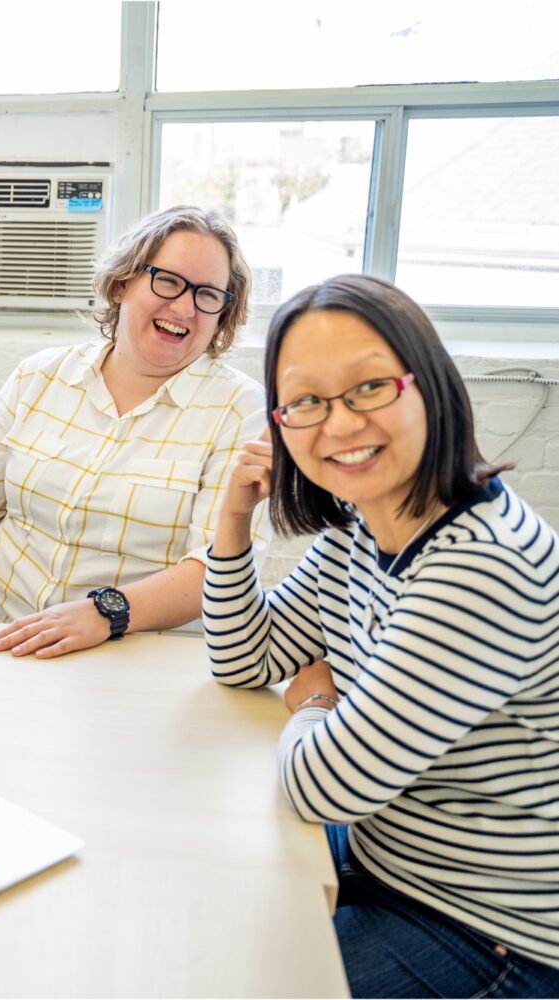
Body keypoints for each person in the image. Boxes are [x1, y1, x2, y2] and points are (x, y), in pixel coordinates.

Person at [205, 274, 559, 996]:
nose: (337, 425)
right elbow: (245, 659)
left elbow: (322, 784)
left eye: (368, 387)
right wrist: (231, 523)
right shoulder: (364, 523)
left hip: (489, 930)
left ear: (427, 384)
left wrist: (312, 703)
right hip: (384, 855)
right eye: (305, 401)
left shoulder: (482, 565)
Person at [0, 206, 269, 657]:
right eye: (168, 281)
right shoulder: (38, 377)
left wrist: (106, 612)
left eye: (208, 295)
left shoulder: (240, 411)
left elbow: (218, 567)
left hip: (127, 657)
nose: (183, 307)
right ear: (123, 282)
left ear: (223, 313)